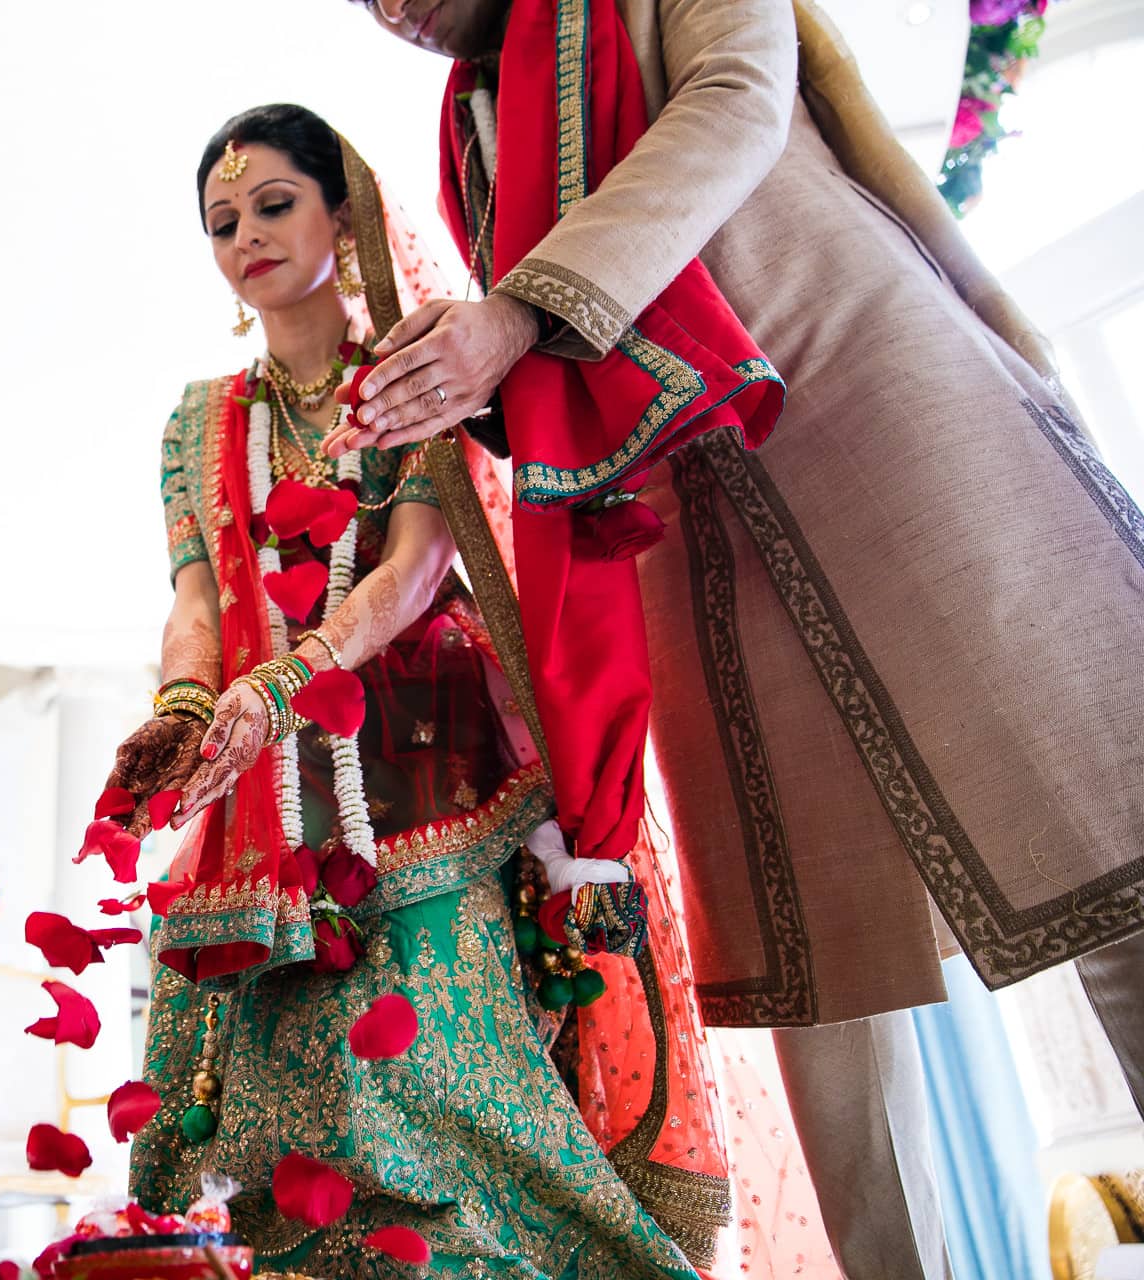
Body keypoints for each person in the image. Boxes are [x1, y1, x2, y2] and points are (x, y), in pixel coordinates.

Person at [327, 1, 1144, 1275]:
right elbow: (533, 366)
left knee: (1100, 809)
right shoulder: (473, 127)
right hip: (679, 512)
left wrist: (517, 314)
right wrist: (463, 366)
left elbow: (737, 101)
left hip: (867, 382)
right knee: (813, 949)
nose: (394, 6)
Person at [112, 103, 732, 1280]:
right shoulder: (198, 422)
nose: (246, 234)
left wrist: (282, 682)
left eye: (273, 203)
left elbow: (410, 575)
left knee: (448, 1086)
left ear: (342, 212)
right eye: (222, 221)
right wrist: (186, 708)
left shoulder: (417, 366)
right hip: (268, 799)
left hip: (433, 763)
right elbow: (196, 603)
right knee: (307, 1118)